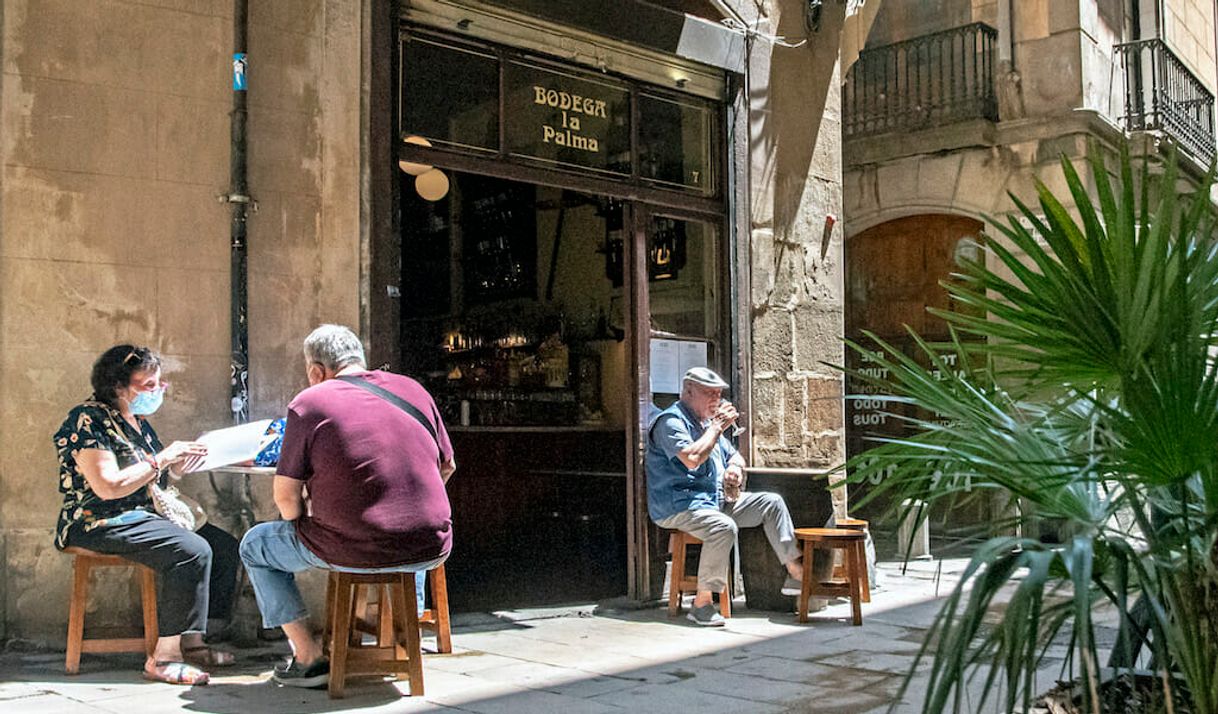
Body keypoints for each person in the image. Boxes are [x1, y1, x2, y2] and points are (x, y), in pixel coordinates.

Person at [239, 324, 456, 688]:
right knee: (407, 533)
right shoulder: (414, 390)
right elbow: (447, 466)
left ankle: (308, 659)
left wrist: (303, 528)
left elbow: (285, 497)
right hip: (432, 546)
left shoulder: (311, 402)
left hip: (348, 547)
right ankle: (405, 640)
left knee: (256, 546)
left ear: (315, 371)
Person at [53, 345, 240, 685]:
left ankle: (193, 641)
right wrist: (162, 459)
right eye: (147, 385)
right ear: (117, 387)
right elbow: (108, 486)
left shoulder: (137, 423)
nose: (156, 392)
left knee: (223, 546)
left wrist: (181, 464)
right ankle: (164, 657)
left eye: (159, 384)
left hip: (144, 512)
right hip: (99, 519)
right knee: (191, 550)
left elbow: (154, 477)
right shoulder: (87, 420)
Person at [646, 367, 804, 626]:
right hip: (679, 505)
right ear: (688, 391)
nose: (715, 400)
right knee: (723, 527)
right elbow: (692, 459)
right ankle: (702, 603)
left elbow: (735, 456)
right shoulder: (671, 422)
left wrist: (734, 470)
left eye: (718, 394)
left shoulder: (707, 424)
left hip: (714, 501)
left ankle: (796, 573)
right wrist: (717, 427)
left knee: (771, 502)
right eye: (709, 393)